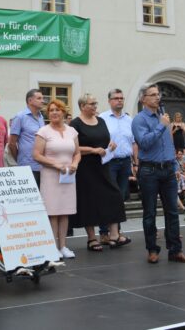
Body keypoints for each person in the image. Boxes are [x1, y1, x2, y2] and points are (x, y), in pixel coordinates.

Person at [132, 83, 185, 264]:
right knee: (150, 213)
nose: (157, 97)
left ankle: (175, 250)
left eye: (158, 94)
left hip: (167, 169)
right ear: (143, 99)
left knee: (172, 212)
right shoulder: (140, 120)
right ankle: (152, 249)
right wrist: (161, 127)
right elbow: (144, 143)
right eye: (152, 95)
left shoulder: (163, 117)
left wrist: (174, 167)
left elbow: (169, 145)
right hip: (149, 171)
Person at [70, 93, 129, 251]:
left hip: (103, 166)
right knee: (88, 202)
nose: (95, 106)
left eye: (96, 103)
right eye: (92, 104)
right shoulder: (75, 124)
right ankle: (92, 238)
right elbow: (72, 147)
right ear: (82, 106)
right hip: (85, 168)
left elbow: (104, 139)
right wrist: (92, 150)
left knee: (114, 195)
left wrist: (110, 145)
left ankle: (114, 235)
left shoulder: (101, 120)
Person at [32, 99, 81, 259]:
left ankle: (63, 246)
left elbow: (77, 152)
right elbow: (36, 155)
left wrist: (75, 163)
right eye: (51, 110)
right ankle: (52, 247)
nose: (54, 112)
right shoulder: (43, 131)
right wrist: (55, 164)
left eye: (57, 110)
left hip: (68, 175)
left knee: (65, 211)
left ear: (63, 112)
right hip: (51, 175)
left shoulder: (72, 131)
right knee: (53, 212)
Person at [98, 89, 137, 243]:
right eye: (116, 98)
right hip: (109, 162)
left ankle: (116, 232)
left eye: (121, 98)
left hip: (125, 162)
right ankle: (103, 232)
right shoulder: (102, 118)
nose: (119, 101)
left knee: (120, 198)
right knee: (107, 197)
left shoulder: (129, 120)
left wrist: (136, 163)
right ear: (109, 101)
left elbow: (134, 143)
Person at [8, 89, 45, 185]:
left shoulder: (41, 117)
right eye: (39, 98)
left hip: (42, 165)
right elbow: (12, 143)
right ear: (30, 101)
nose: (42, 101)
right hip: (27, 166)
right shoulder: (20, 117)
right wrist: (20, 159)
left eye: (43, 98)